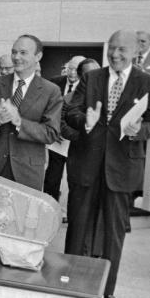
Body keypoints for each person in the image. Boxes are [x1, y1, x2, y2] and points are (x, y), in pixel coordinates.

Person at [65, 29, 150, 298]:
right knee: (77, 227)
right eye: (112, 49)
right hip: (87, 164)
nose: (116, 55)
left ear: (135, 52)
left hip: (122, 168)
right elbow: (71, 113)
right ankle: (70, 285)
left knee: (113, 234)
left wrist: (137, 131)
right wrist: (86, 120)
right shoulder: (92, 77)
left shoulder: (149, 83)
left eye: (122, 50)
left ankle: (107, 292)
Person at [0, 34, 62, 298]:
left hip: (27, 171)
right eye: (14, 52)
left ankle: (18, 286)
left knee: (24, 230)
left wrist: (20, 121)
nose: (17, 57)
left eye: (23, 53)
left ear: (38, 57)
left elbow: (51, 132)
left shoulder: (51, 91)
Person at [63, 58, 101, 249]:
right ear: (80, 76)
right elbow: (62, 124)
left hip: (102, 164)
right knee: (78, 212)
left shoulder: (106, 95)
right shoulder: (70, 99)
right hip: (80, 160)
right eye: (88, 74)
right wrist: (81, 135)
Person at [43, 56, 87, 207]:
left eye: (76, 69)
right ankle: (50, 207)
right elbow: (48, 108)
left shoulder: (87, 86)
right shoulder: (55, 82)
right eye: (70, 68)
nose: (72, 72)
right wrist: (55, 130)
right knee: (53, 175)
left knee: (73, 177)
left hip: (76, 138)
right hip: (57, 138)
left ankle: (69, 211)